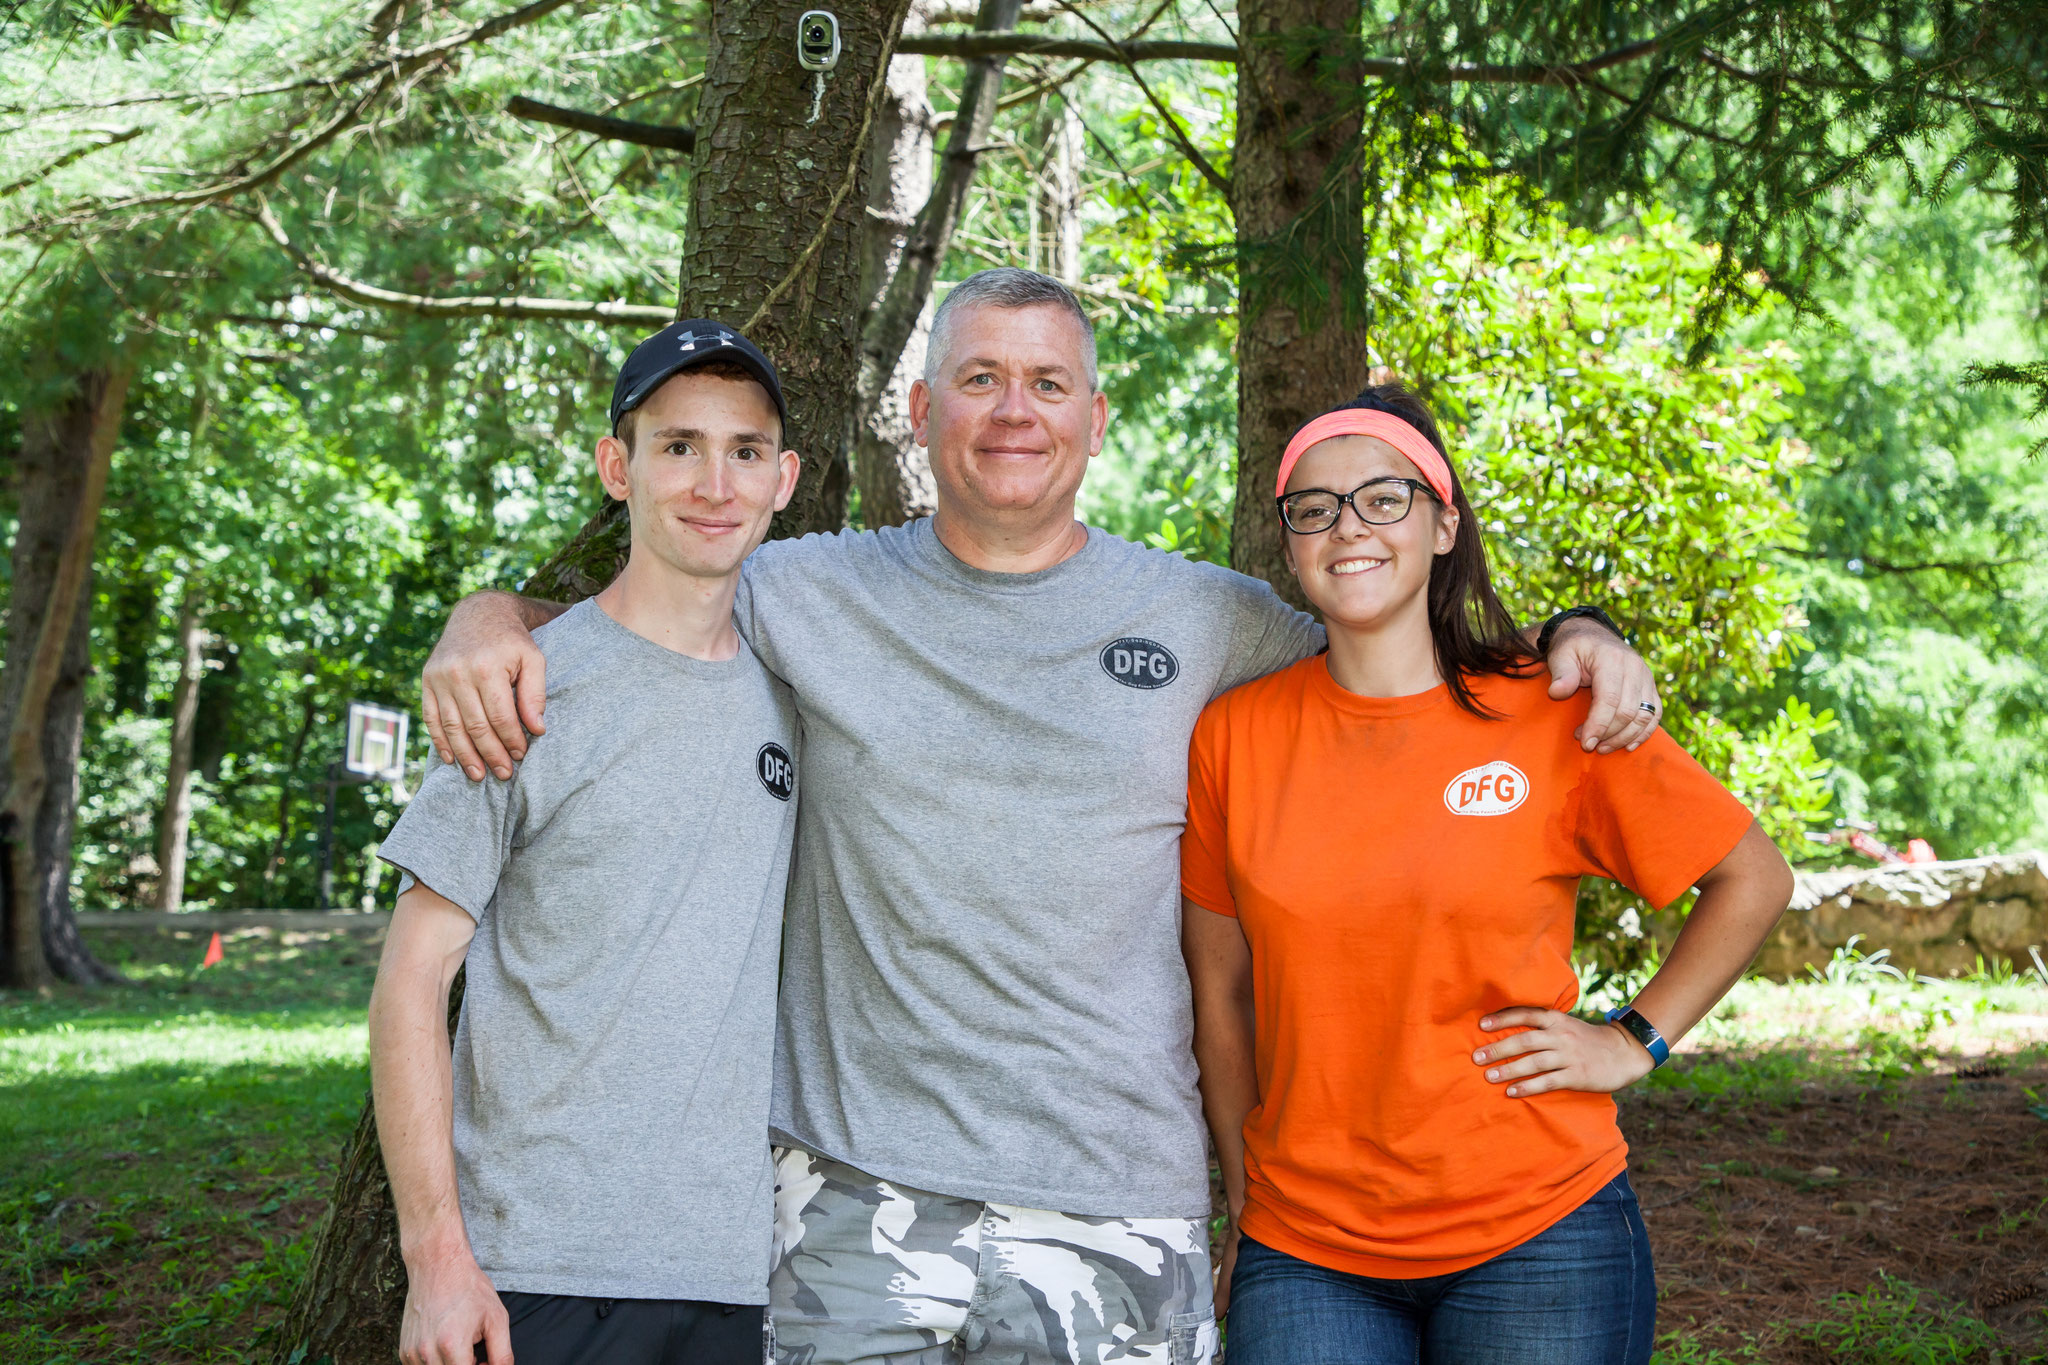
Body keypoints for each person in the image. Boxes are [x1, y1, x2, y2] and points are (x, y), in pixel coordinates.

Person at [419, 270, 1665, 1365]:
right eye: (977, 378)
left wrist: (1572, 635)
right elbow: (647, 600)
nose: (1013, 411)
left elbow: (1397, 647)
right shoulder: (802, 588)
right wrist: (486, 620)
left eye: (1047, 383)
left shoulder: (1209, 620)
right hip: (852, 1206)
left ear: (1094, 419)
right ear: (921, 413)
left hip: (1117, 1204)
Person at [1179, 384, 1795, 1365]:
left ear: (1440, 523)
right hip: (1306, 1249)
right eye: (1314, 507)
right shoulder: (1232, 736)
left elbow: (1751, 877)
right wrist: (1246, 1206)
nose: (1348, 528)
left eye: (1382, 498)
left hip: (1541, 1227)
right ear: (1290, 541)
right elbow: (1222, 990)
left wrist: (1634, 1040)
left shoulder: (1552, 708)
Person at [367, 321, 803, 1365]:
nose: (714, 483)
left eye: (744, 451)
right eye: (677, 446)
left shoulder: (798, 693)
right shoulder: (521, 689)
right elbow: (410, 983)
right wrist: (436, 1261)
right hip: (537, 1274)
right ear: (619, 467)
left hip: (737, 1275)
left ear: (781, 479)